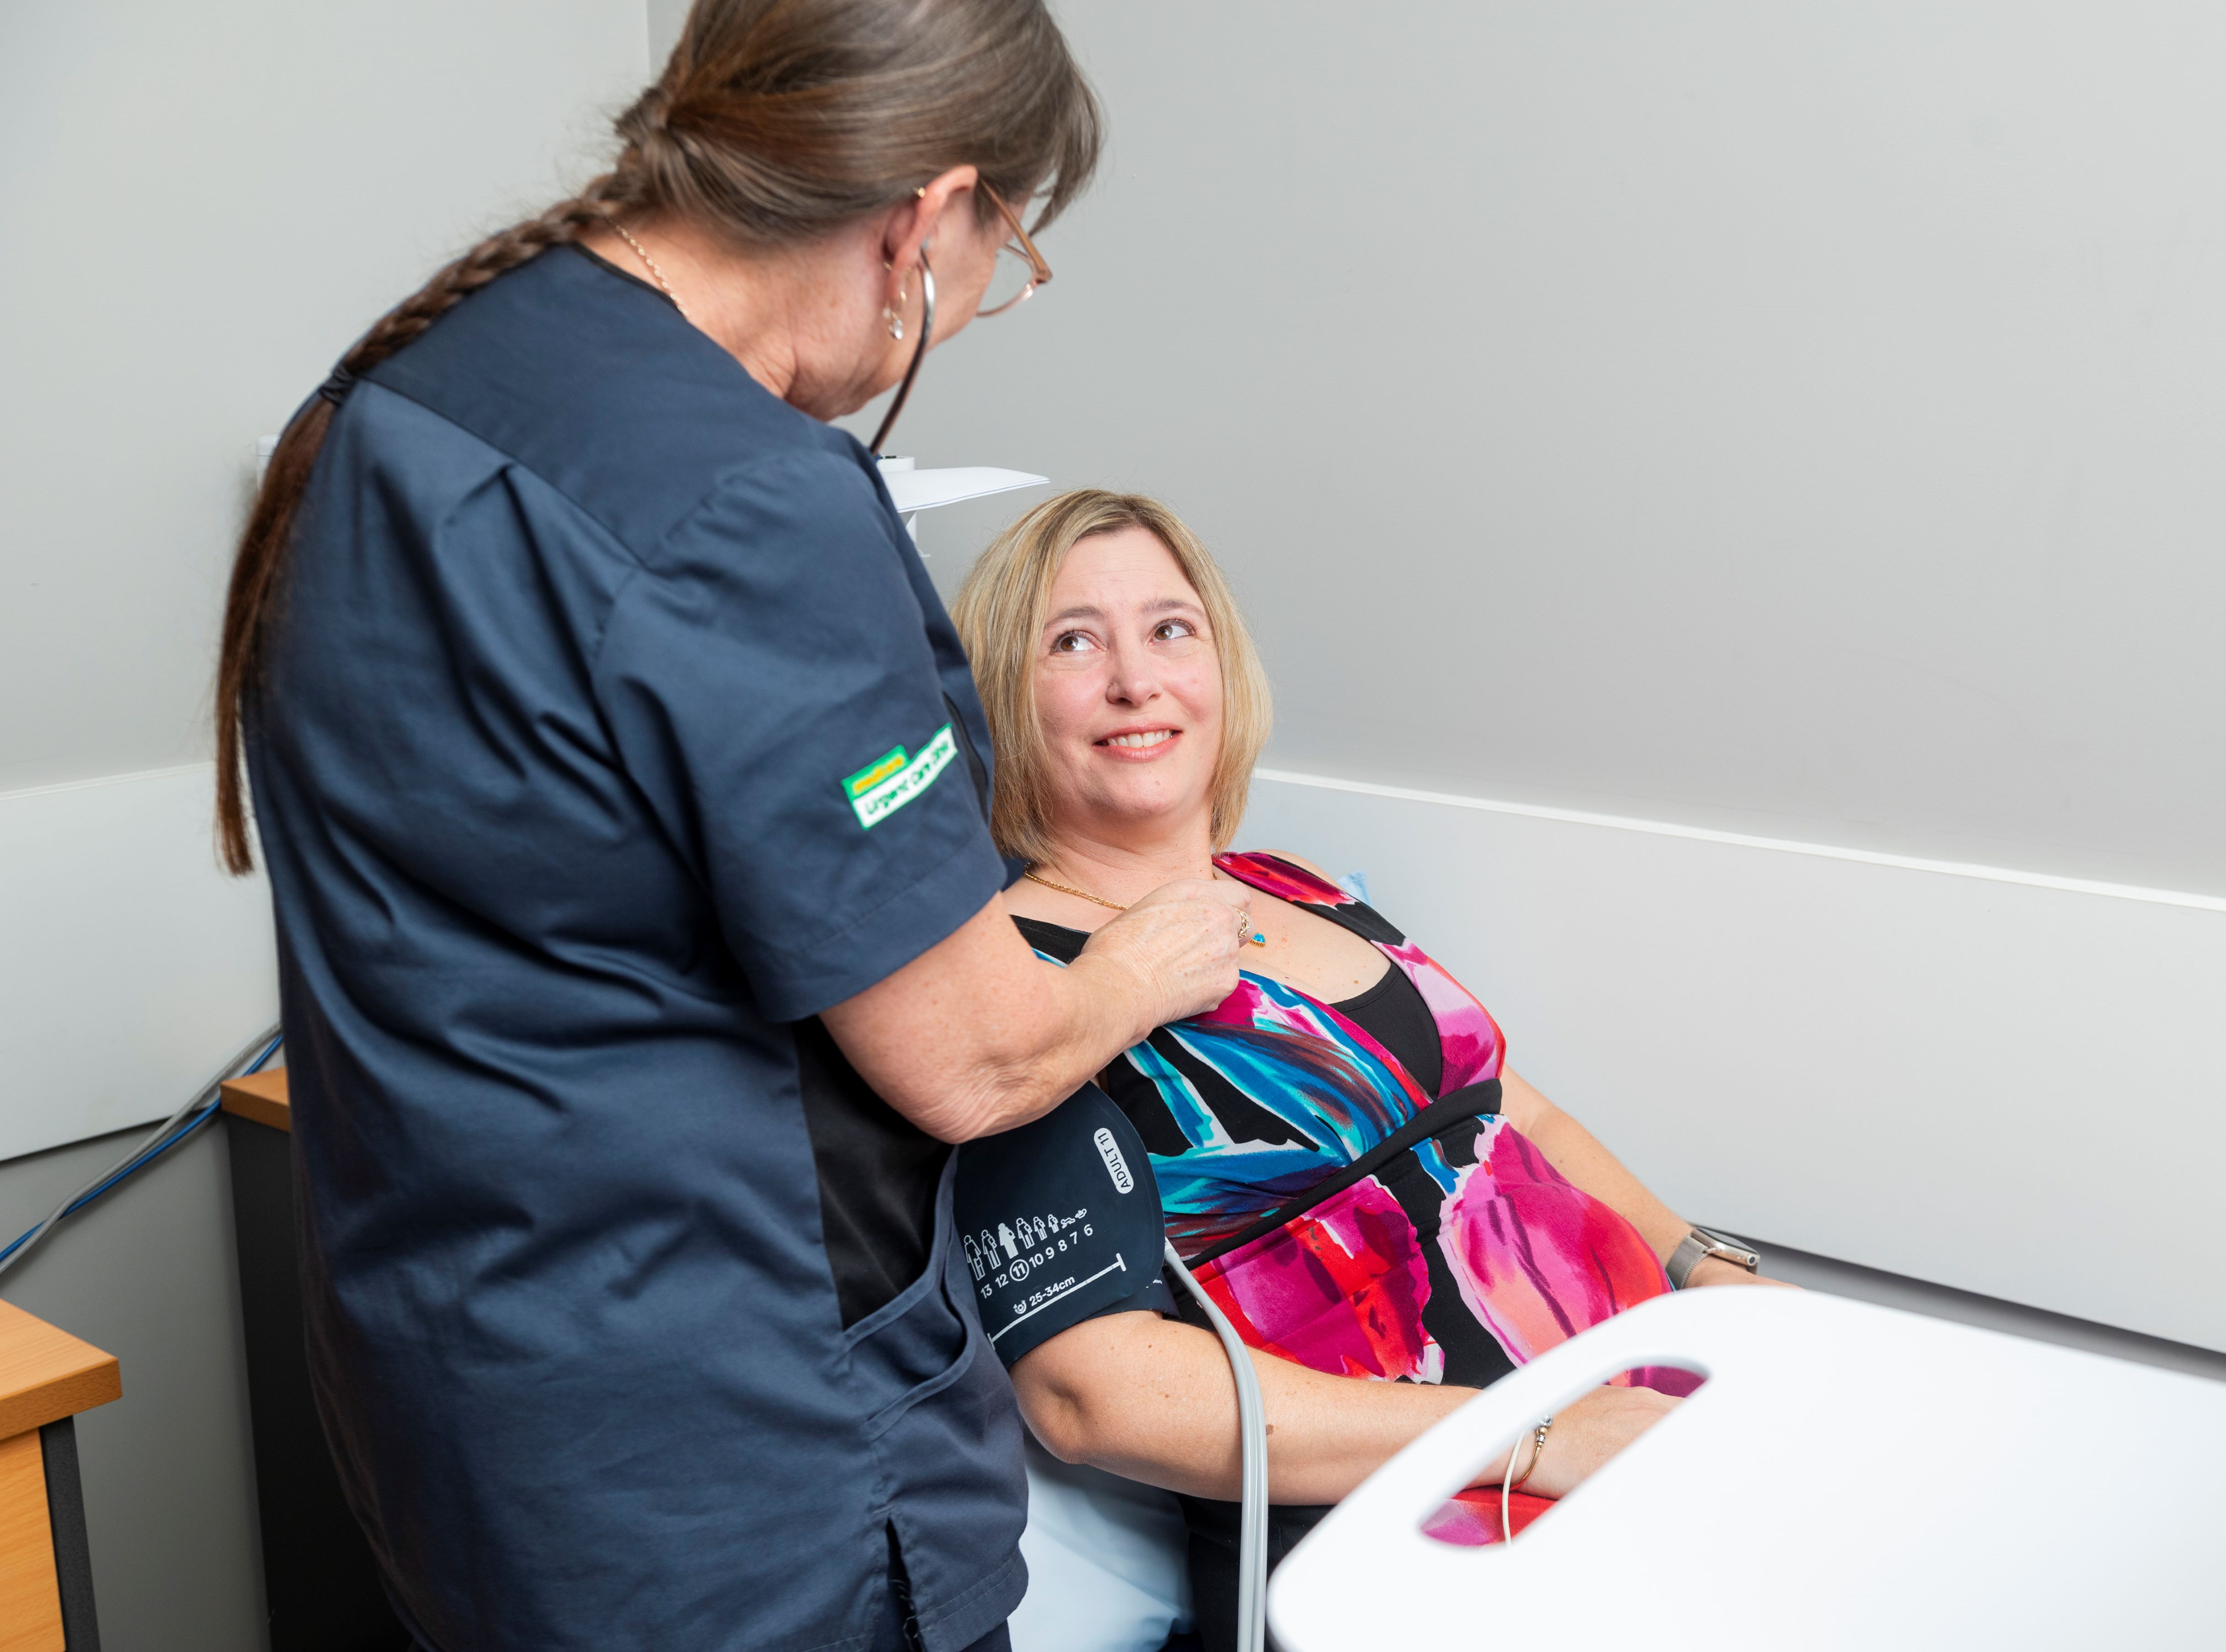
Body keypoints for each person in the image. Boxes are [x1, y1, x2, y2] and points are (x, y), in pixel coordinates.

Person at [209, 7, 1251, 1650]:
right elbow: (967, 1058)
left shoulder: (399, 402)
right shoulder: (753, 506)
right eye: (1004, 252)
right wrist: (1130, 970)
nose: (977, 302)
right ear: (924, 211)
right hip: (742, 1485)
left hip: (467, 1423)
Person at [949, 490, 1791, 1644]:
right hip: (1404, 1527)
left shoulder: (1292, 880)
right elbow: (1089, 1393)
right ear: (1002, 686)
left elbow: (1500, 1108)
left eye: (1170, 629)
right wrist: (1541, 1436)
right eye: (1073, 641)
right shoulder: (1018, 983)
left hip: (1628, 1404)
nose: (1136, 680)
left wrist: (1704, 1267)